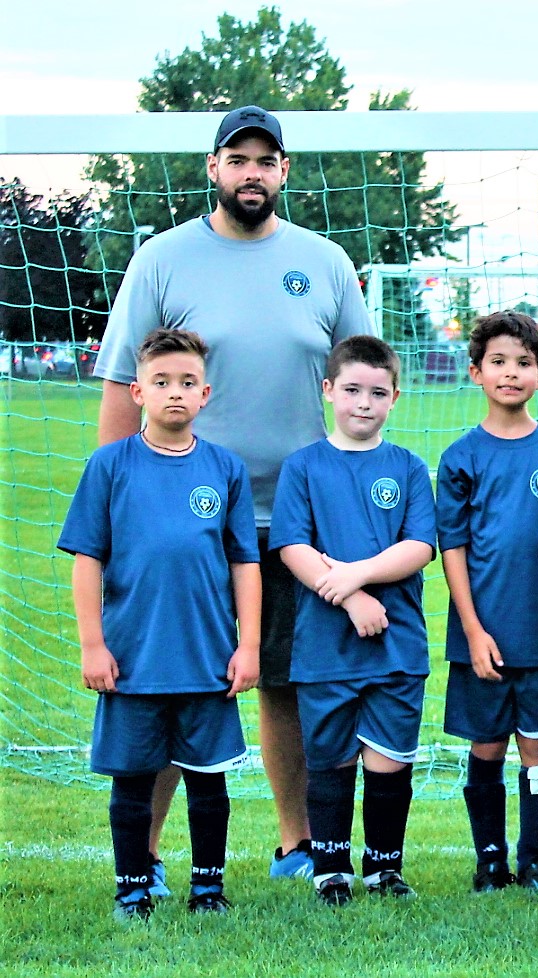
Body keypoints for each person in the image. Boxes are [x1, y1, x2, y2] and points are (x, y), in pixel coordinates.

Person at [92, 105, 373, 886]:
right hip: (180, 521)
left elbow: (363, 376)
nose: (252, 172)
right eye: (237, 159)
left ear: (285, 172)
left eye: (266, 160)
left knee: (286, 681)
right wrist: (120, 501)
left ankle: (296, 846)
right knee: (166, 683)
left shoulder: (324, 262)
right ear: (213, 168)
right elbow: (120, 382)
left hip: (296, 519)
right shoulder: (162, 259)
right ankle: (145, 856)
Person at [58, 329, 261, 920]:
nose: (176, 392)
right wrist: (92, 645)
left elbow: (244, 563)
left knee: (208, 779)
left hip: (207, 656)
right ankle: (132, 889)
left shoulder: (225, 468)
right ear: (138, 391)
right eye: (162, 381)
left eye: (188, 382)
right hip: (132, 657)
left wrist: (248, 645)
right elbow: (87, 560)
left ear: (205, 394)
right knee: (132, 779)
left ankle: (208, 890)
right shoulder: (109, 465)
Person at [269, 336, 436, 905]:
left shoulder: (407, 467)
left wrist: (356, 576)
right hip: (325, 646)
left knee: (389, 760)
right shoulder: (303, 467)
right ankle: (331, 869)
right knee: (331, 759)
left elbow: (419, 546)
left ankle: (384, 868)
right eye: (352, 390)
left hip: (396, 645)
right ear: (328, 390)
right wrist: (350, 599)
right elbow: (292, 545)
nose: (364, 403)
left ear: (395, 398)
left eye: (378, 393)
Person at [437, 311, 538, 894]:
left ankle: (534, 859)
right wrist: (472, 630)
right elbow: (452, 548)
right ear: (475, 371)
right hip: (484, 636)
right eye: (497, 362)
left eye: (523, 363)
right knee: (486, 744)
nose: (510, 372)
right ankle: (490, 860)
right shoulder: (461, 456)